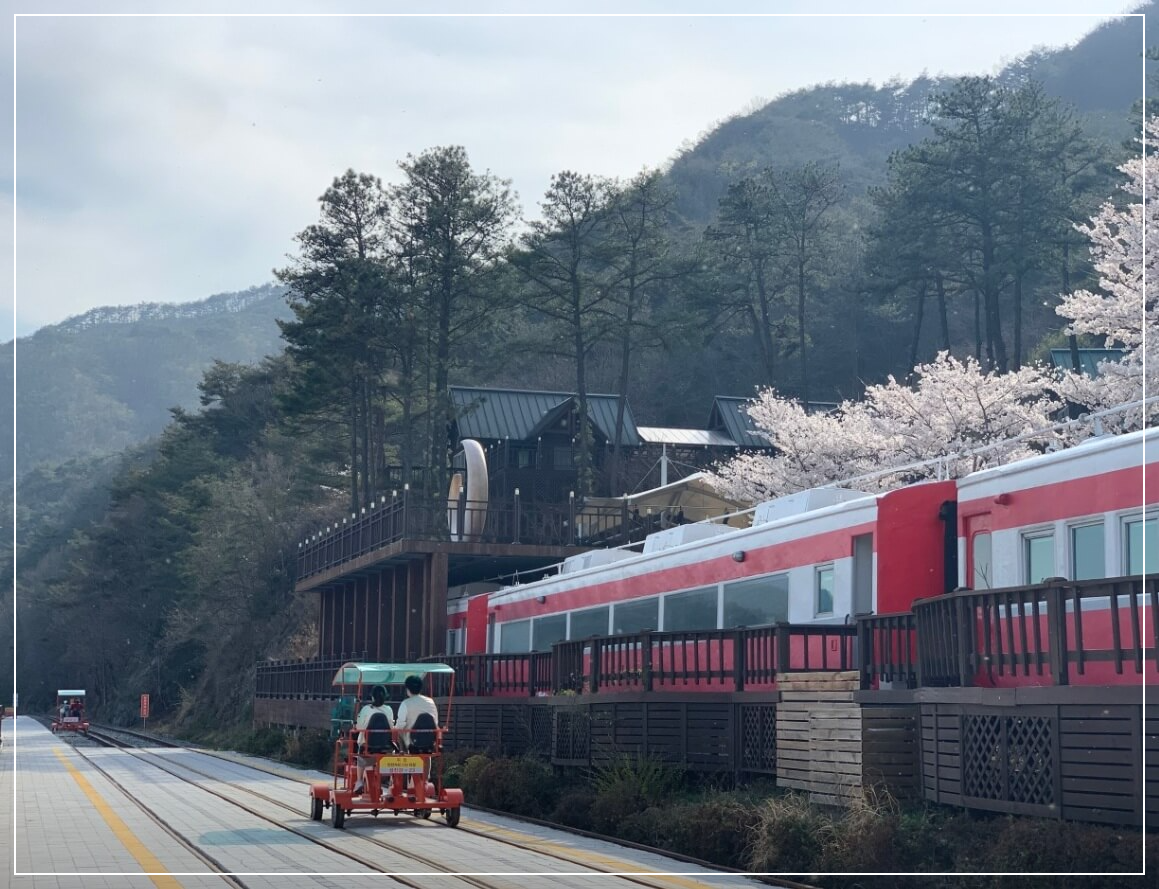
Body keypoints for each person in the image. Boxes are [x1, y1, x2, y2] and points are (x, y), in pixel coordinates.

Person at [395, 675, 439, 793]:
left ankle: (402, 754)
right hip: (430, 741)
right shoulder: (431, 702)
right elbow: (435, 722)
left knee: (399, 732)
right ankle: (425, 777)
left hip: (412, 743)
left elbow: (400, 725)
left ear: (408, 689)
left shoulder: (405, 703)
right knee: (426, 752)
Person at [352, 685, 394, 795]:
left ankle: (359, 781)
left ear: (372, 697)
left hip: (368, 747)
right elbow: (392, 727)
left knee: (360, 758)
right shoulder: (388, 710)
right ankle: (392, 782)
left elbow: (359, 727)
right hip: (385, 747)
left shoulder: (366, 709)